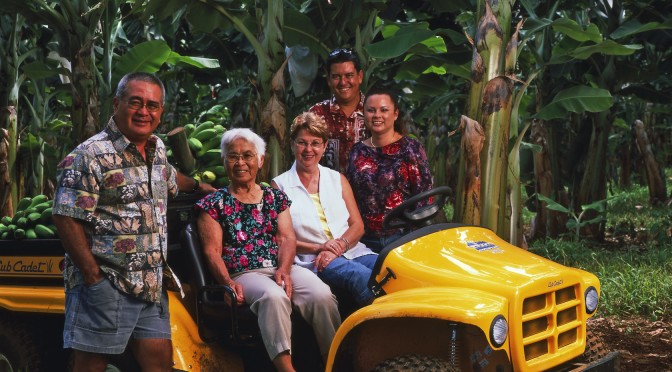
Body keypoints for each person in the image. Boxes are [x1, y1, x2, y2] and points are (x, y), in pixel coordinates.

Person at [52, 72, 215, 371]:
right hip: (107, 281)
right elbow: (66, 216)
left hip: (150, 284)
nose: (144, 112)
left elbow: (169, 177)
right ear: (117, 103)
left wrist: (201, 187)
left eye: (152, 105)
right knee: (90, 365)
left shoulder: (156, 149)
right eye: (135, 102)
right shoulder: (90, 155)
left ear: (161, 111)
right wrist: (93, 278)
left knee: (159, 363)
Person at [194, 128, 340, 372]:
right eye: (233, 156)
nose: (240, 162)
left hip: (280, 266)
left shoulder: (274, 197)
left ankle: (333, 362)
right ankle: (286, 368)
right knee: (273, 297)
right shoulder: (213, 204)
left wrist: (284, 269)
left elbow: (286, 238)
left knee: (321, 294)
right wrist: (227, 282)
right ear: (224, 161)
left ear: (260, 161)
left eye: (248, 155)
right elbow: (212, 252)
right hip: (244, 273)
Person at [272, 112, 377, 308]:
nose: (309, 149)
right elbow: (281, 238)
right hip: (314, 260)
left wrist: (339, 247)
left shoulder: (337, 179)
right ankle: (374, 332)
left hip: (353, 251)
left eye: (315, 143)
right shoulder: (280, 186)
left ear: (325, 146)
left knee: (390, 268)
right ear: (293, 144)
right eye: (302, 142)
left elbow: (357, 225)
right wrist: (320, 248)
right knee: (361, 276)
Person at [345, 89, 433, 252]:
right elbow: (349, 197)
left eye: (384, 110)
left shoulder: (410, 148)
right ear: (364, 114)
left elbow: (424, 197)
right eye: (371, 110)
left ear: (395, 114)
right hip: (363, 239)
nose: (377, 115)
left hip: (402, 238)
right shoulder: (357, 151)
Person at [309, 47, 367, 172]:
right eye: (336, 77)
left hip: (370, 189)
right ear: (328, 80)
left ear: (360, 76)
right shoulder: (316, 114)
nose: (343, 82)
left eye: (349, 75)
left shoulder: (375, 111)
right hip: (326, 189)